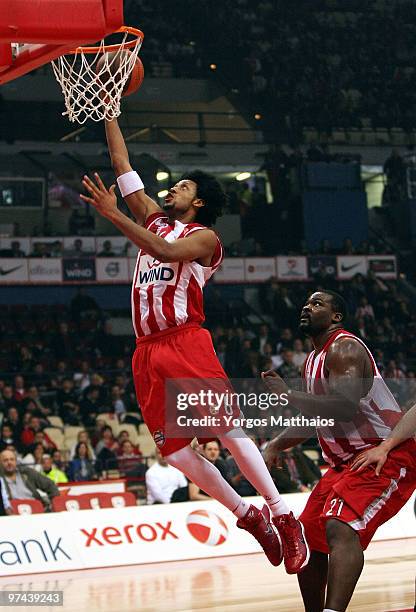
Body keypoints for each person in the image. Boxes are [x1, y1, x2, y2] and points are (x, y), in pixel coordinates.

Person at [79, 116, 309, 573]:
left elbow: (163, 253)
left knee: (227, 428)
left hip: (185, 340)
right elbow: (121, 162)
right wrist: (109, 108)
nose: (171, 190)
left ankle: (283, 515)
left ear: (197, 200)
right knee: (176, 451)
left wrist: (113, 215)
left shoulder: (204, 238)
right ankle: (249, 516)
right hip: (146, 350)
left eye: (181, 186)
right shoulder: (156, 220)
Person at [263, 290, 416, 612]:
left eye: (317, 303)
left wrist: (288, 395)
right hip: (343, 465)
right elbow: (320, 415)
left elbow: (344, 407)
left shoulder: (344, 347)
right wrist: (277, 443)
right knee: (308, 534)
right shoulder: (312, 360)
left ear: (336, 317)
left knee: (339, 524)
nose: (306, 306)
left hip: (383, 452)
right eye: (305, 302)